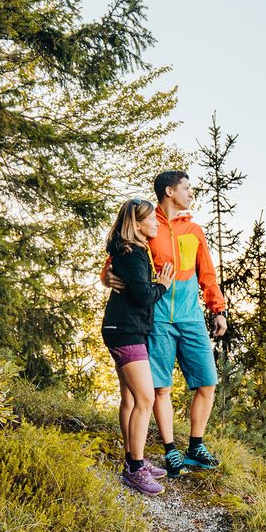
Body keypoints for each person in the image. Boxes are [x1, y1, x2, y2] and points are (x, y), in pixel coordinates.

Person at [103, 169, 227, 477]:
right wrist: (107, 276)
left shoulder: (194, 231)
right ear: (169, 191)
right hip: (155, 318)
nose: (191, 193)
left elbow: (207, 274)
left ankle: (196, 447)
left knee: (207, 382)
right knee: (160, 389)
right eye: (186, 188)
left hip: (191, 316)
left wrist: (218, 309)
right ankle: (171, 452)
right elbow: (118, 257)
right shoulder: (148, 225)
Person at [102, 198, 175, 495]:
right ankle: (134, 469)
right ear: (138, 224)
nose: (156, 223)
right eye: (151, 220)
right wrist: (162, 286)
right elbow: (144, 297)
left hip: (124, 329)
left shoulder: (128, 252)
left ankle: (135, 461)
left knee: (132, 400)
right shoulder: (132, 254)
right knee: (145, 399)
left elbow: (129, 286)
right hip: (126, 332)